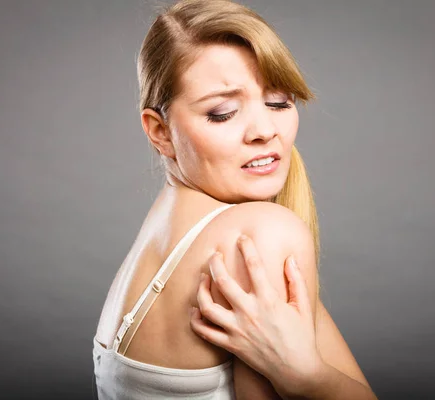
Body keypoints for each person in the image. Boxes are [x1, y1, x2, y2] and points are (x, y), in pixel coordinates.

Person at [93, 0, 377, 398]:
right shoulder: (259, 235)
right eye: (223, 113)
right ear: (159, 132)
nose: (264, 129)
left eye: (279, 102)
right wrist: (308, 378)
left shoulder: (164, 230)